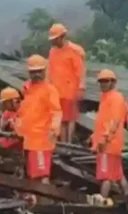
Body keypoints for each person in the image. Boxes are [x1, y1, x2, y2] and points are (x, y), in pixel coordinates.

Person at [15, 55, 62, 184]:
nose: (36, 74)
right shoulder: (26, 89)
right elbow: (22, 112)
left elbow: (56, 112)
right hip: (28, 139)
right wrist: (17, 127)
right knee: (31, 174)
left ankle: (44, 201)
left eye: (39, 71)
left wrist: (54, 129)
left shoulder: (49, 90)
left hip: (41, 138)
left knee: (42, 175)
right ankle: (35, 200)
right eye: (33, 72)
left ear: (44, 71)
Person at [91, 69, 128, 199]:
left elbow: (115, 121)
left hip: (108, 144)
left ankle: (102, 204)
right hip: (111, 144)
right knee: (118, 175)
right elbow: (104, 121)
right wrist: (93, 137)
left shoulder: (115, 98)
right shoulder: (107, 97)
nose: (103, 84)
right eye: (101, 81)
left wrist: (104, 139)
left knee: (105, 176)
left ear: (113, 82)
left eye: (106, 81)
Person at [47, 23, 86, 143]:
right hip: (57, 91)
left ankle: (69, 143)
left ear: (62, 36)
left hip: (70, 91)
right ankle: (63, 143)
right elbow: (50, 70)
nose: (53, 42)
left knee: (70, 119)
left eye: (55, 39)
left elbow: (80, 70)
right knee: (61, 119)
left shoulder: (74, 50)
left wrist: (81, 87)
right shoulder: (52, 51)